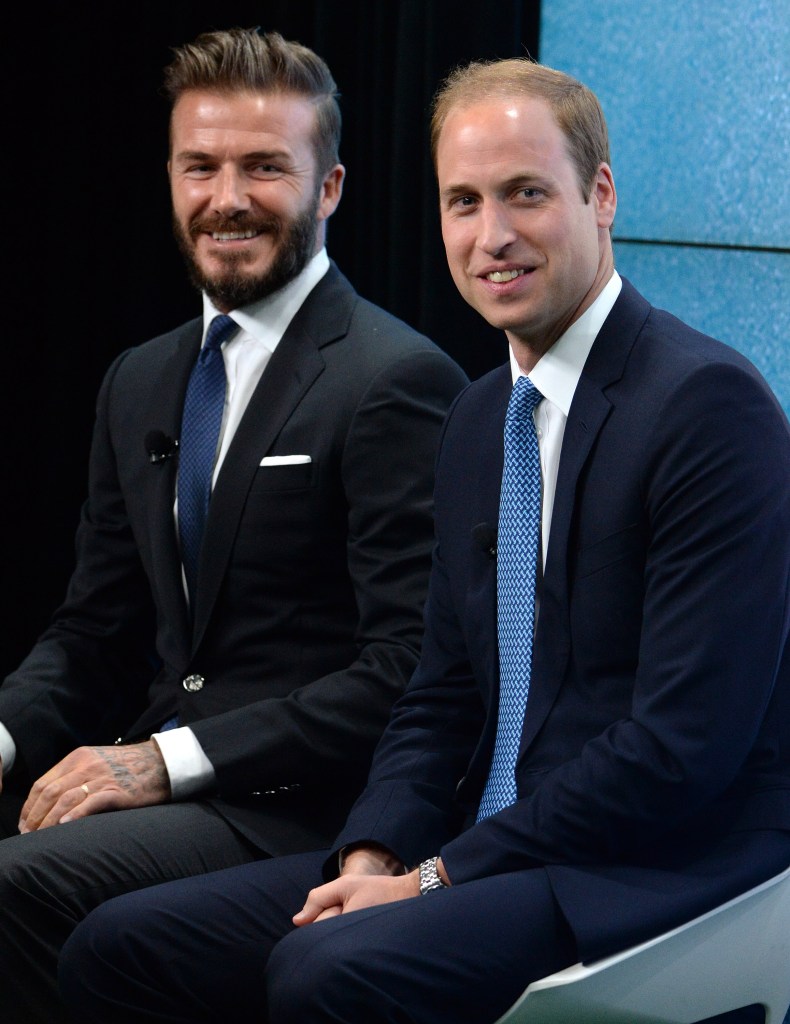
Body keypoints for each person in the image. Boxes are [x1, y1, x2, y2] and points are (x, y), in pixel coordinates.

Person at [58, 57, 790, 1024]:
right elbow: (437, 691)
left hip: (638, 867)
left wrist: (435, 879)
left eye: (526, 194)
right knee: (119, 948)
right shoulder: (483, 414)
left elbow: (677, 750)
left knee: (326, 972)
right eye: (463, 201)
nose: (493, 236)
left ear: (600, 194)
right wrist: (374, 850)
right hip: (474, 849)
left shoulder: (706, 404)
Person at [0, 26, 468, 1023]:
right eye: (199, 166)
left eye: (264, 167)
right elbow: (93, 630)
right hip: (171, 788)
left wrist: (160, 760)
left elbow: (407, 668)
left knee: (16, 883)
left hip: (300, 807)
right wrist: (1, 735)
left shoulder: (397, 379)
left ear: (329, 187)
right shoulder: (139, 378)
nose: (227, 198)